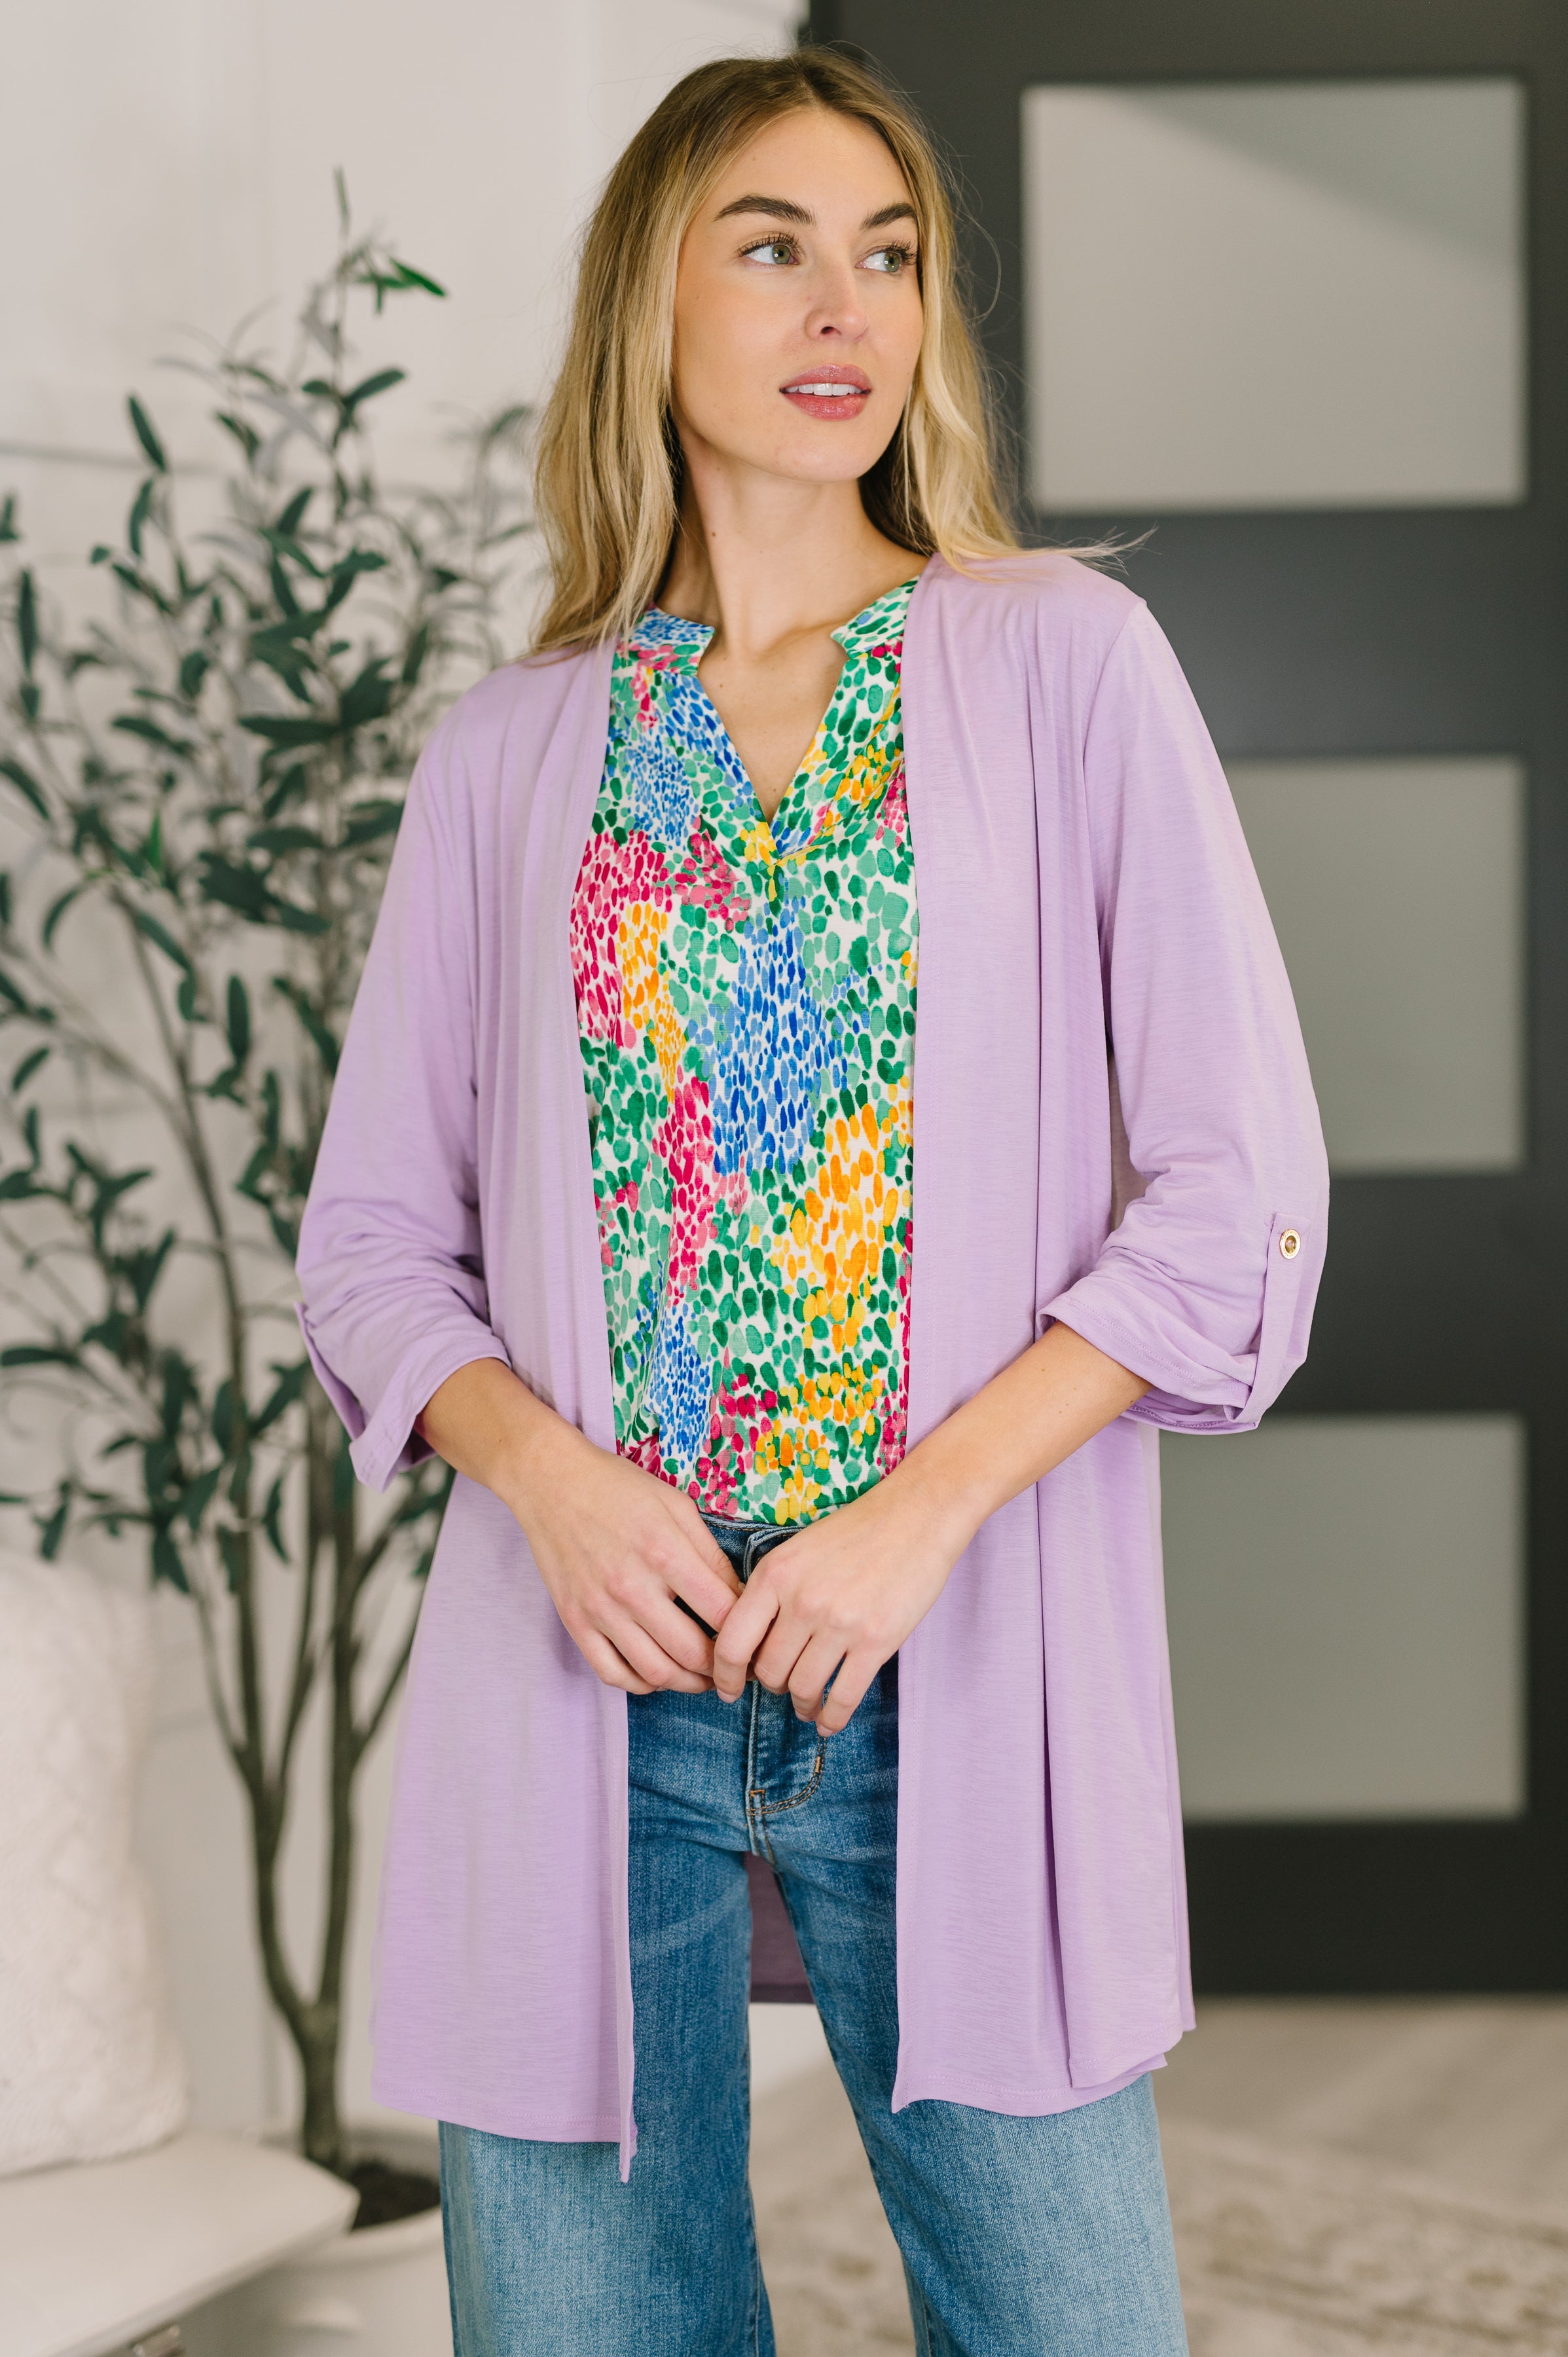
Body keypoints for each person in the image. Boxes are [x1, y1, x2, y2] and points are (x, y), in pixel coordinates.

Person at [296, 46, 1327, 2357]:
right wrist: (549, 1485)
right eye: (770, 246)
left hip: (944, 1652)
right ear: (646, 301)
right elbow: (367, 1244)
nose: (843, 303)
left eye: (887, 253)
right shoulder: (512, 752)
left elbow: (1233, 1192)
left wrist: (913, 1519)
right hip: (591, 1681)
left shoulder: (1058, 661)